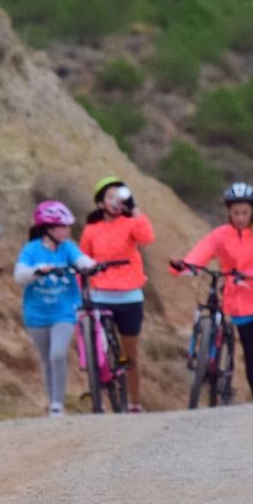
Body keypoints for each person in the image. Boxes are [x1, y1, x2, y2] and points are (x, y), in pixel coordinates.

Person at [172, 182, 253, 402]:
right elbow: (202, 251)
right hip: (240, 301)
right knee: (251, 352)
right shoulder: (221, 234)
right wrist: (186, 265)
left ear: (252, 210)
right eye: (236, 212)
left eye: (244, 212)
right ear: (229, 211)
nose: (240, 217)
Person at [80, 176, 155, 412]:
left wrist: (136, 212)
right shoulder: (92, 230)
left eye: (119, 196)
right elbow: (82, 259)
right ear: (101, 204)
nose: (116, 201)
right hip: (101, 296)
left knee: (128, 353)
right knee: (99, 346)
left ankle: (133, 401)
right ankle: (101, 386)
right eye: (109, 197)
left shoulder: (131, 222)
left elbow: (147, 238)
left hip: (130, 297)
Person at [14, 200, 96, 417]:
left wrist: (89, 265)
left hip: (64, 312)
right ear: (48, 229)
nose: (67, 230)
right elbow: (19, 275)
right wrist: (37, 271)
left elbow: (81, 260)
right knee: (45, 359)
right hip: (36, 315)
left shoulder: (68, 248)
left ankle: (58, 404)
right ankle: (52, 401)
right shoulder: (31, 250)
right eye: (63, 226)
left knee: (57, 355)